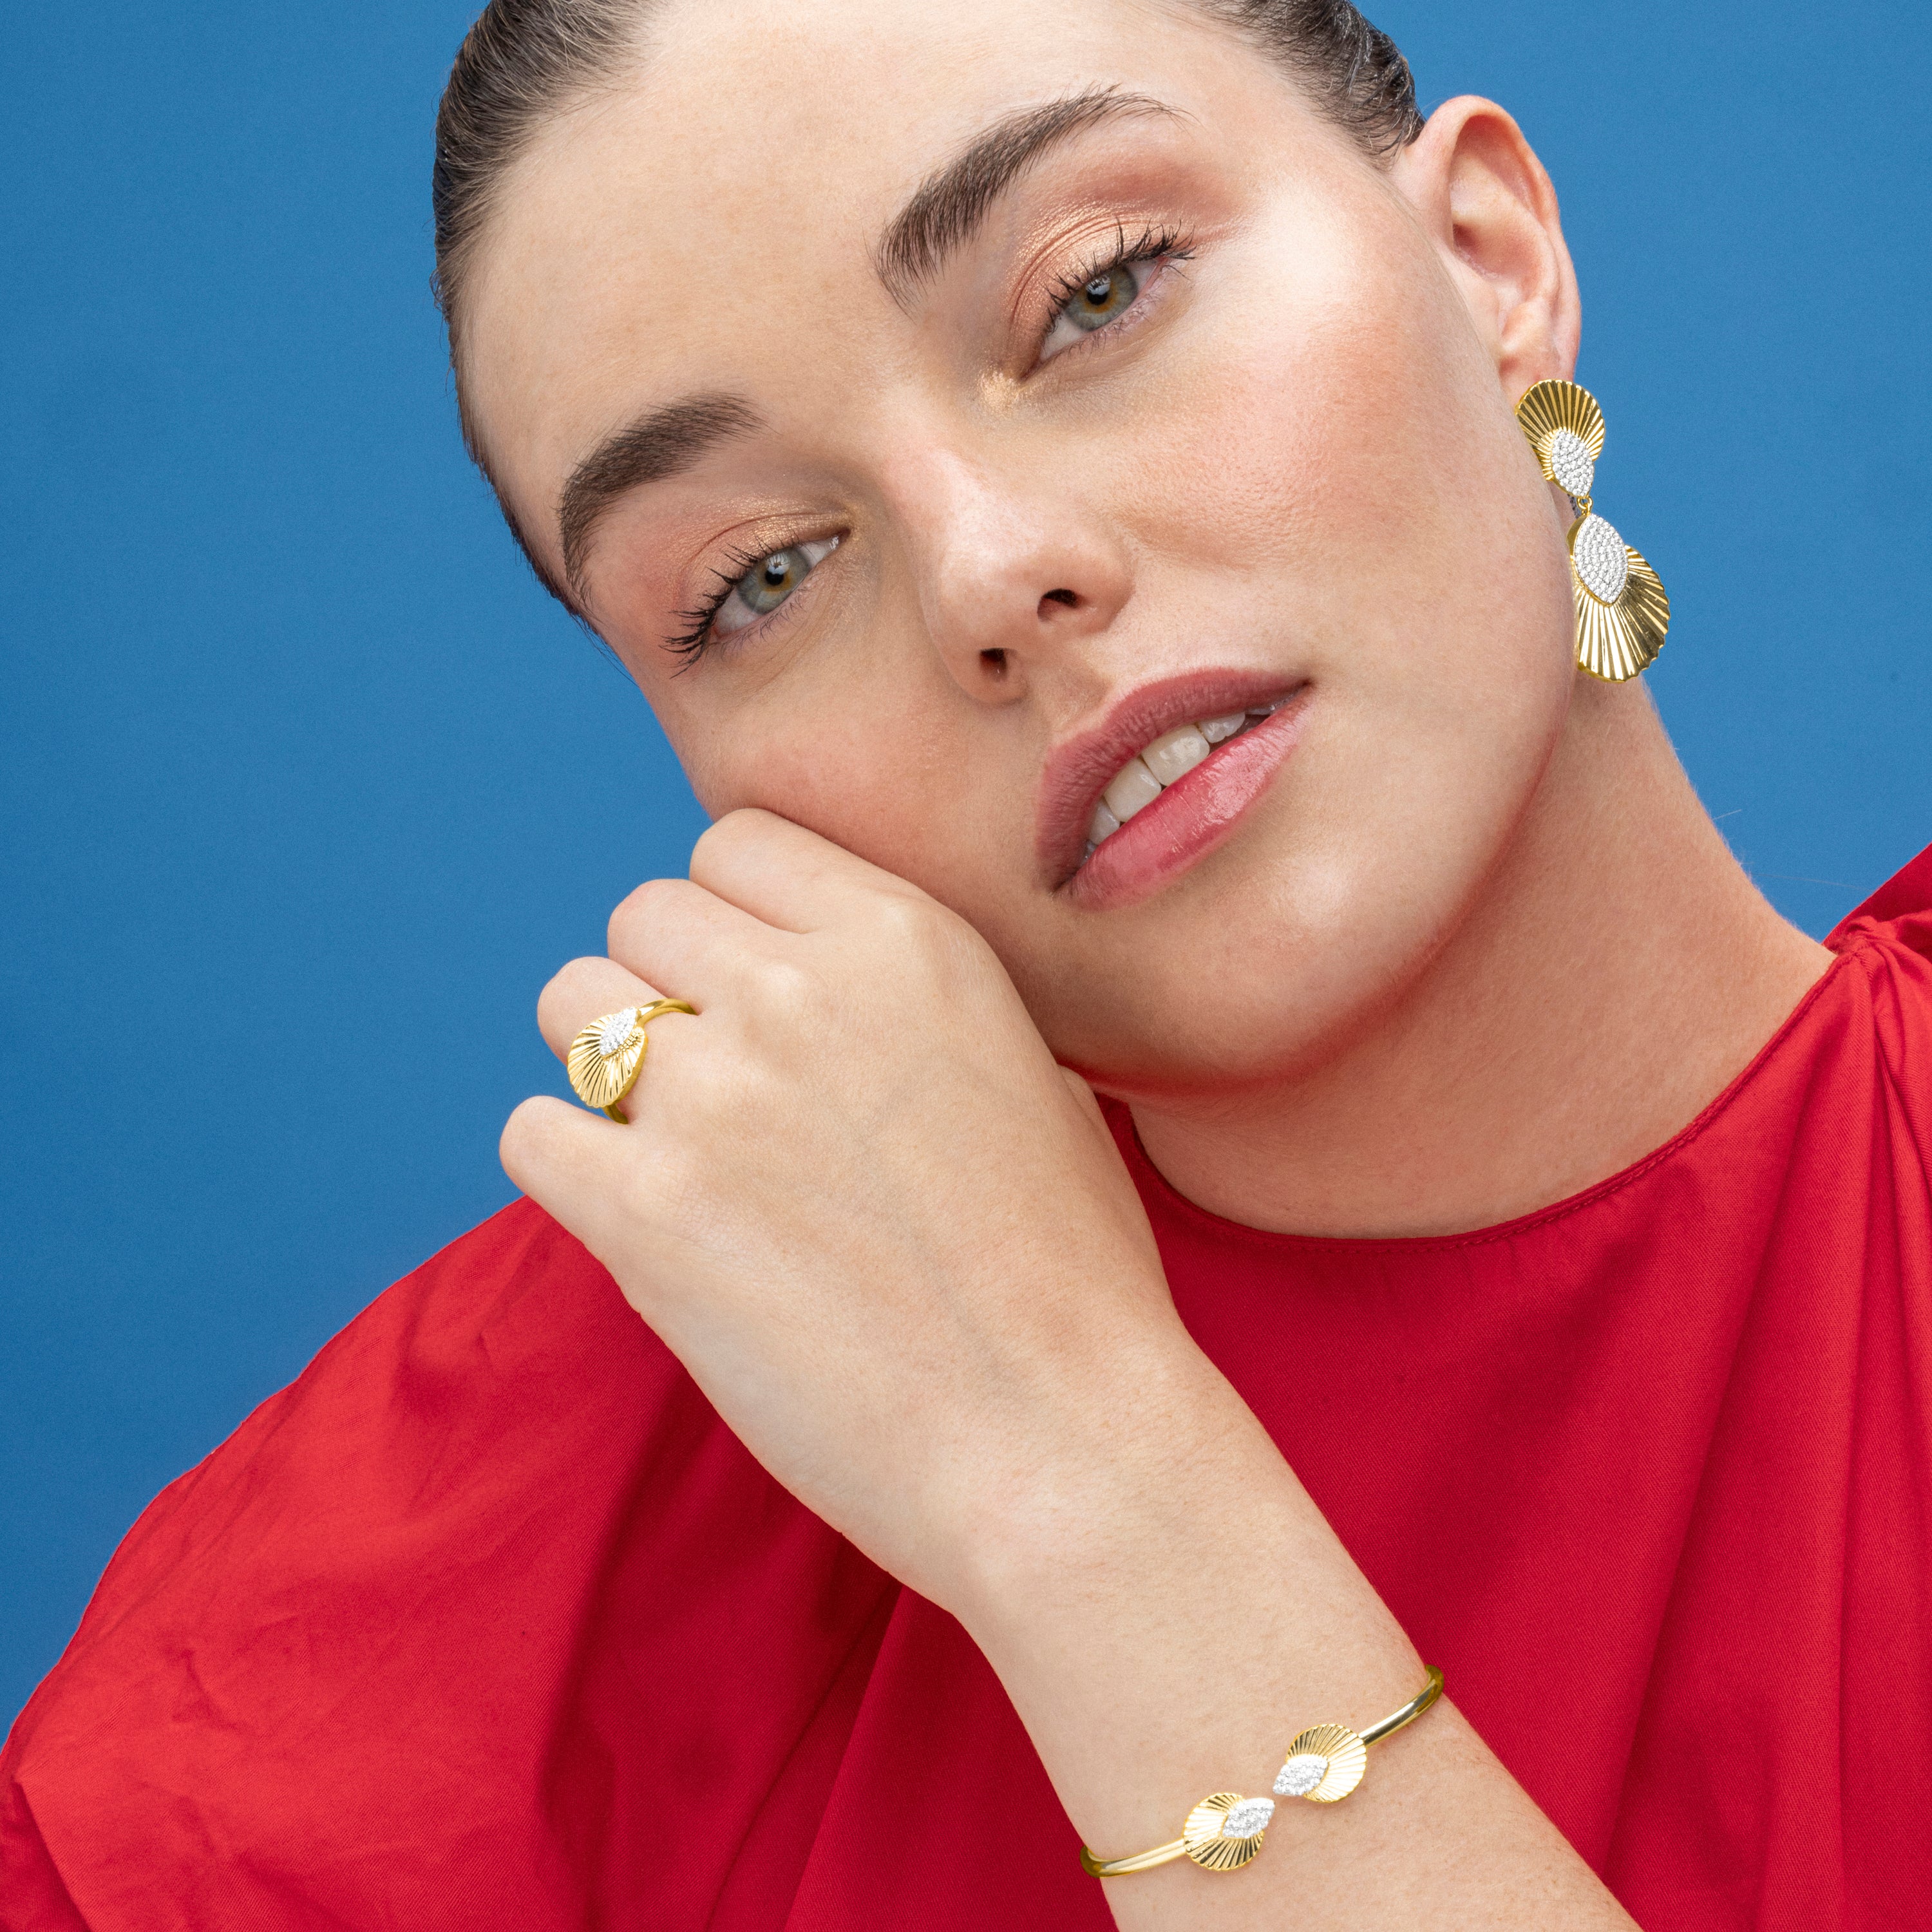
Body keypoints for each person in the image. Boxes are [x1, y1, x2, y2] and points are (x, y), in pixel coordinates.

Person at [4, 0, 1927, 1925]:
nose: (991, 571)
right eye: (760, 573)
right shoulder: (405, 1647)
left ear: (1488, 264)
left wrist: (1099, 1492)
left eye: (1095, 295)